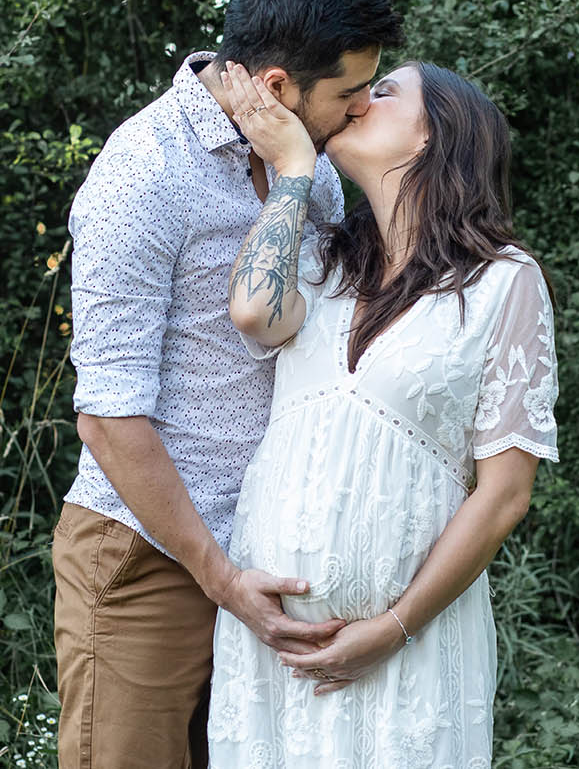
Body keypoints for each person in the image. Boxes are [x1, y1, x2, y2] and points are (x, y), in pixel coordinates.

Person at [53, 0, 405, 769]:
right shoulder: (141, 176)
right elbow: (108, 416)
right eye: (349, 93)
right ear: (278, 87)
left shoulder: (307, 170)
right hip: (149, 553)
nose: (362, 112)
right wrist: (218, 575)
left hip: (273, 553)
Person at [207, 59, 559, 767]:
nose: (360, 100)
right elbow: (249, 310)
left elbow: (504, 494)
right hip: (271, 657)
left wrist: (394, 626)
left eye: (386, 91)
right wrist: (296, 172)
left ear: (436, 138)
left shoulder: (503, 282)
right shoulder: (318, 258)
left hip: (408, 655)